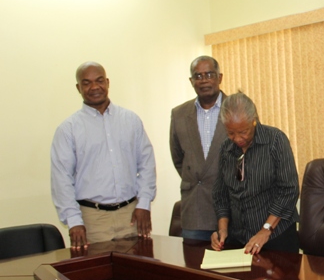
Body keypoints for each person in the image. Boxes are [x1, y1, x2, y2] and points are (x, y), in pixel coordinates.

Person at [51, 62, 156, 249]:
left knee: (137, 271)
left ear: (107, 82)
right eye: (87, 83)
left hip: (131, 215)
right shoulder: (68, 129)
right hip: (92, 219)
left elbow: (146, 164)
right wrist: (74, 221)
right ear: (78, 88)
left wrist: (144, 203)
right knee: (97, 274)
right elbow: (61, 179)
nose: (94, 87)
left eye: (99, 81)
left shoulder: (130, 120)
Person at [211, 92, 300, 255]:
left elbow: (289, 190)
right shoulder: (226, 149)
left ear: (255, 120)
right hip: (239, 240)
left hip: (277, 238)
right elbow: (221, 193)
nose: (237, 139)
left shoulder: (275, 140)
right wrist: (222, 229)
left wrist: (265, 230)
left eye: (243, 131)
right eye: (231, 133)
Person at [170, 56, 226, 241]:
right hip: (195, 210)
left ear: (220, 77)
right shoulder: (179, 114)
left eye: (209, 74)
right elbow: (179, 158)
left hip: (234, 210)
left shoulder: (238, 107)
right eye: (198, 76)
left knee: (236, 268)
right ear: (191, 81)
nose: (204, 80)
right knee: (194, 267)